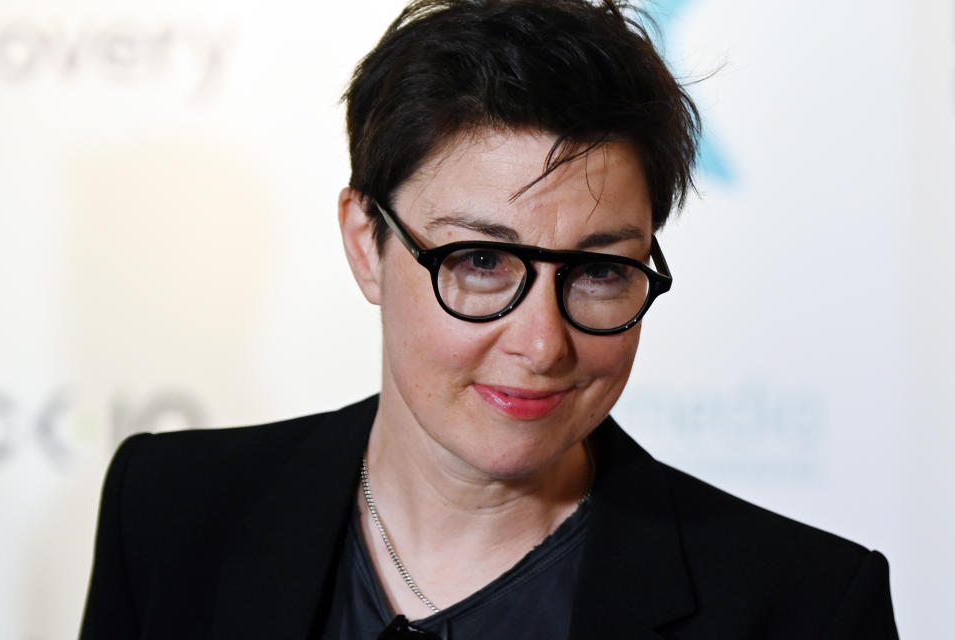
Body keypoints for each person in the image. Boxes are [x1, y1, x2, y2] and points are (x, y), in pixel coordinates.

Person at [80, 1, 899, 638]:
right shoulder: (168, 513)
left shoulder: (803, 606)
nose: (543, 344)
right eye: (481, 262)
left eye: (600, 271)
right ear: (367, 242)